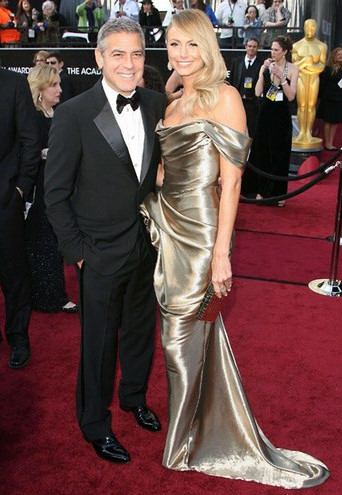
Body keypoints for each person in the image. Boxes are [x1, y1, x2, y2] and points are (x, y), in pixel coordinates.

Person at [141, 11, 328, 487]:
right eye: (174, 45)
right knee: (185, 334)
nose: (181, 55)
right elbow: (166, 171)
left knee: (178, 338)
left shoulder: (225, 99)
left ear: (208, 47)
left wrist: (222, 251)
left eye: (191, 45)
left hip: (202, 234)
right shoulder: (173, 101)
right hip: (168, 225)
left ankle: (182, 444)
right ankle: (200, 425)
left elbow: (231, 182)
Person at [44, 17, 165, 463]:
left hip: (146, 246)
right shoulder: (75, 115)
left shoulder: (156, 104)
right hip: (96, 253)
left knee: (139, 332)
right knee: (97, 345)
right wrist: (77, 254)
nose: (129, 64)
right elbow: (54, 194)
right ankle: (94, 422)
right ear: (98, 58)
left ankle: (133, 396)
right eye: (118, 54)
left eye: (136, 53)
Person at [26, 65, 78, 314]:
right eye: (54, 85)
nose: (60, 89)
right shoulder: (30, 116)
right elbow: (23, 151)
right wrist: (47, 153)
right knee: (42, 242)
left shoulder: (59, 114)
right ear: (41, 88)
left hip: (59, 186)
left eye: (59, 84)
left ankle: (54, 294)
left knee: (56, 242)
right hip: (38, 188)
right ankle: (44, 296)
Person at [0, 68, 40, 368]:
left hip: (5, 199)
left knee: (13, 273)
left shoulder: (13, 84)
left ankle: (18, 337)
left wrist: (20, 188)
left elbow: (30, 140)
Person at [248, 35, 299, 206]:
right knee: (262, 152)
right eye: (271, 49)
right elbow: (257, 92)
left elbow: (291, 96)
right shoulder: (267, 66)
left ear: (285, 51)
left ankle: (278, 194)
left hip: (282, 115)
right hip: (265, 114)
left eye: (276, 50)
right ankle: (261, 191)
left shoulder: (293, 69)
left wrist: (282, 78)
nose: (273, 52)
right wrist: (263, 72)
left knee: (280, 154)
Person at [291, 19, 327, 149]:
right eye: (308, 28)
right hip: (301, 78)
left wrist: (306, 66)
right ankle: (301, 132)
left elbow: (321, 66)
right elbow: (294, 65)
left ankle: (308, 132)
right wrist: (307, 62)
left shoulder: (321, 46)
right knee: (302, 105)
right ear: (304, 28)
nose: (310, 31)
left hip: (313, 78)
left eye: (313, 28)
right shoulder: (296, 45)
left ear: (316, 29)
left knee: (311, 105)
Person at [229, 37, 263, 139]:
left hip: (253, 103)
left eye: (254, 47)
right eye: (249, 46)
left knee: (254, 132)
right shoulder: (237, 62)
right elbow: (232, 81)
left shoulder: (261, 64)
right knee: (236, 130)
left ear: (257, 48)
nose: (251, 48)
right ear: (245, 47)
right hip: (238, 102)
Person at [317, 47, 342, 150]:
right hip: (329, 98)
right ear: (334, 56)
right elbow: (322, 83)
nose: (340, 56)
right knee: (328, 121)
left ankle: (331, 142)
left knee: (335, 121)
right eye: (339, 54)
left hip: (339, 98)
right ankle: (327, 142)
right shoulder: (328, 69)